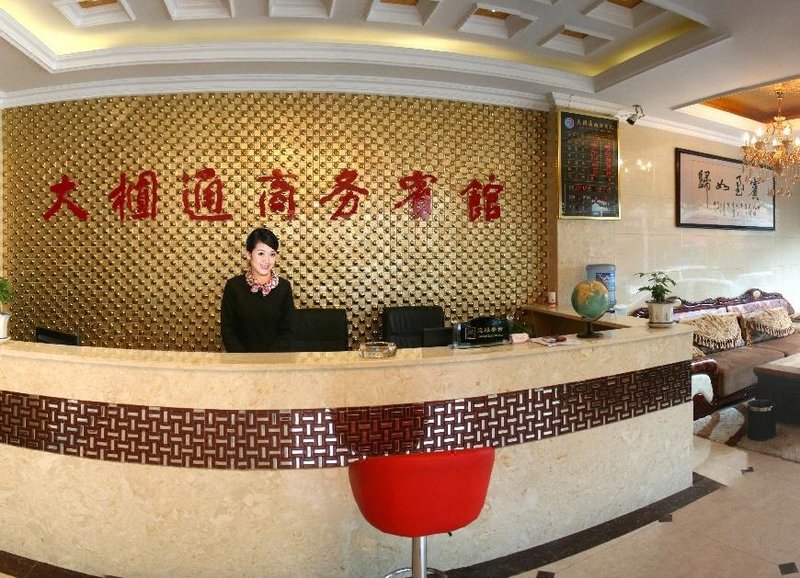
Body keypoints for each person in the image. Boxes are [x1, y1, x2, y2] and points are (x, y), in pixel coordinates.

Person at [221, 227, 295, 352]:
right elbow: (228, 331)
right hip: (241, 360)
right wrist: (245, 359)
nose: (267, 260)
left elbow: (288, 331)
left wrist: (269, 359)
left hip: (276, 360)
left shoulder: (284, 287)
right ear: (249, 255)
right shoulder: (234, 286)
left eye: (272, 254)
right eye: (261, 253)